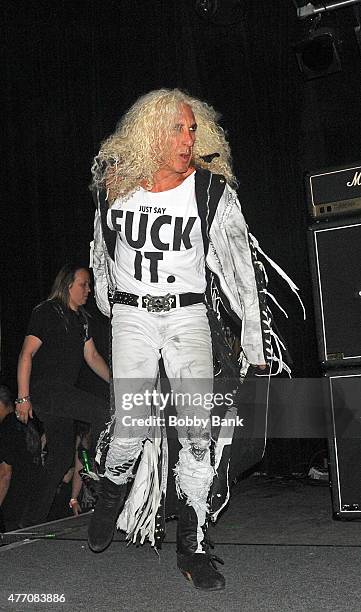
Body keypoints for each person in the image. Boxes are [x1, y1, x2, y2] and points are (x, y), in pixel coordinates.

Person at [88, 88, 279, 591]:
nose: (188, 138)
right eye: (178, 127)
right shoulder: (116, 187)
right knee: (130, 425)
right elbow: (101, 254)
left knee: (197, 432)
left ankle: (193, 546)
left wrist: (255, 349)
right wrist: (114, 307)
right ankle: (112, 488)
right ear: (150, 132)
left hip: (187, 316)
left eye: (194, 128)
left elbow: (241, 273)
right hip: (132, 318)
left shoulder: (211, 192)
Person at [17, 264, 110, 526]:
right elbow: (26, 354)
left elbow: (92, 357)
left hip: (62, 396)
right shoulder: (46, 312)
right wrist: (23, 398)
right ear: (67, 285)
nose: (88, 290)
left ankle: (28, 524)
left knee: (59, 460)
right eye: (84, 284)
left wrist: (116, 382)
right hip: (47, 390)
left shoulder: (81, 320)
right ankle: (94, 466)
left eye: (90, 285)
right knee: (102, 411)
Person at [0, 385, 42, 531]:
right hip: (34, 497)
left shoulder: (6, 427)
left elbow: (5, 474)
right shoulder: (29, 421)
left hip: (14, 501)